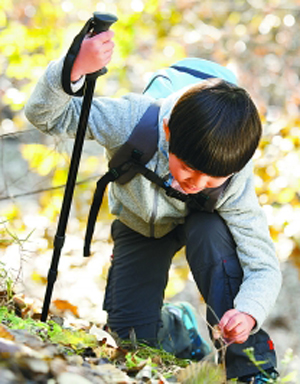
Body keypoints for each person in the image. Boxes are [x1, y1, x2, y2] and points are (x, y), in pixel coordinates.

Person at [25, 29, 282, 383]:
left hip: (204, 225)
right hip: (139, 225)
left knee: (210, 233)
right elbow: (48, 116)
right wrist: (73, 71)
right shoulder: (133, 119)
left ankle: (252, 370)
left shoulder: (233, 171)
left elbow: (264, 265)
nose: (197, 183)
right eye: (188, 168)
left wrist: (249, 312)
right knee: (130, 340)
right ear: (167, 130)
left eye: (212, 179)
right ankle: (179, 327)